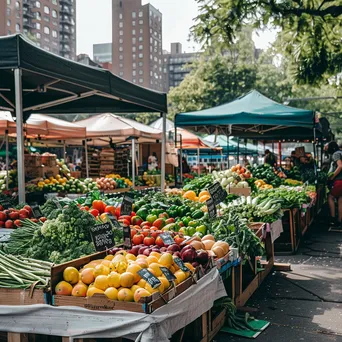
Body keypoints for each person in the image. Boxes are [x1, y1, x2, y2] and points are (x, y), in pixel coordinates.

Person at [327, 141, 342, 226]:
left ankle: (332, 219)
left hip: (339, 180)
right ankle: (339, 220)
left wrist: (332, 176)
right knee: (340, 200)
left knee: (330, 197)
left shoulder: (336, 154)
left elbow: (340, 166)